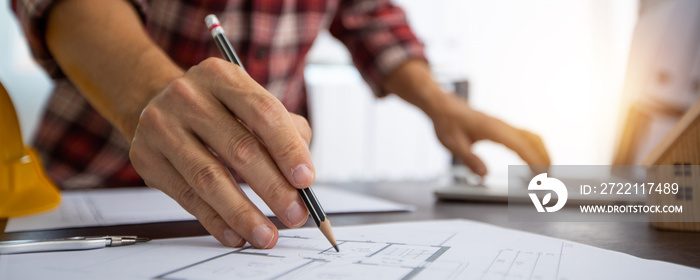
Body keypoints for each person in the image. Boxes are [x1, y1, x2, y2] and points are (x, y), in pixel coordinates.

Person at [12, 0, 550, 249]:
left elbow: (368, 13)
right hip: (91, 180)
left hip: (263, 186)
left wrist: (437, 102)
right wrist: (145, 94)